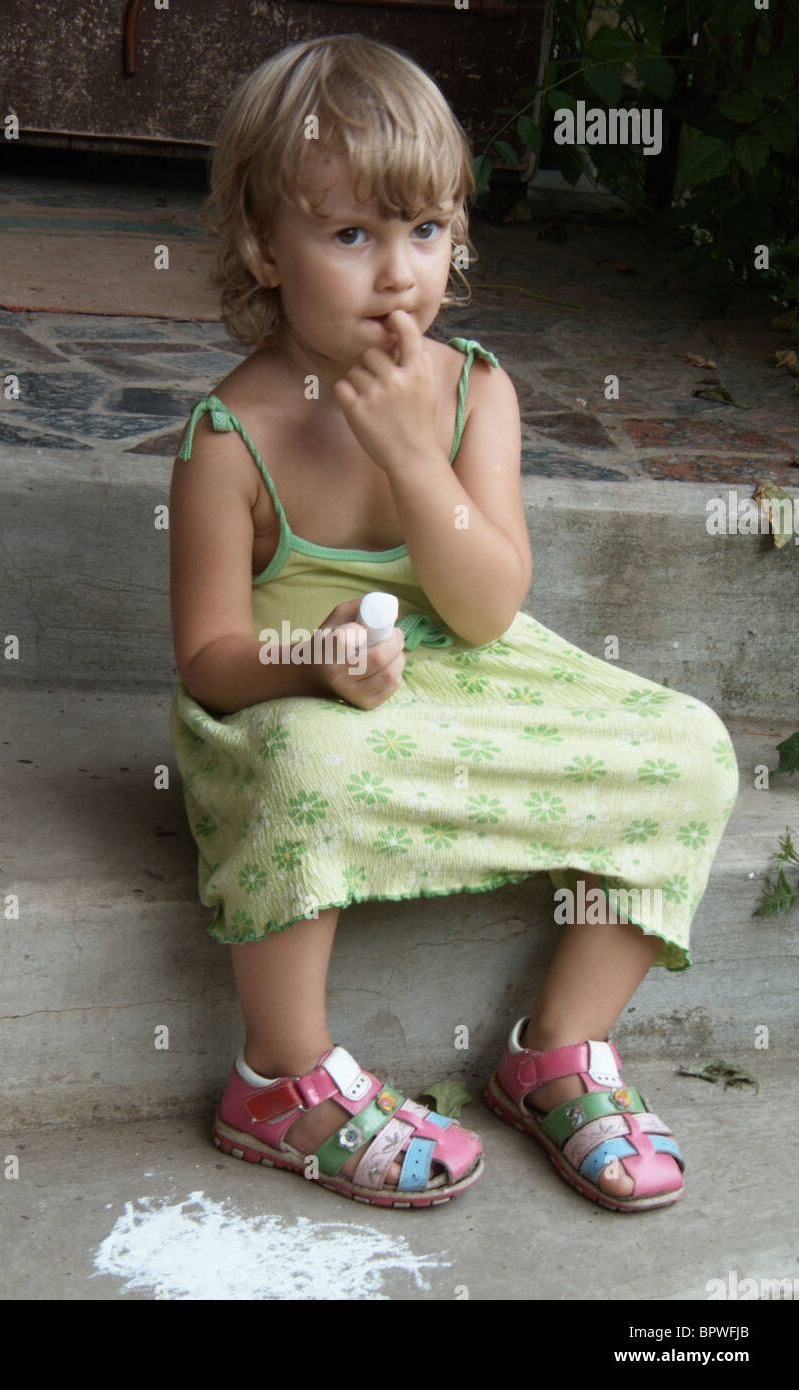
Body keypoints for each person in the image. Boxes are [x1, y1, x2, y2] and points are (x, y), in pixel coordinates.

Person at [167, 34, 739, 1211]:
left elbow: (485, 609)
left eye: (424, 230)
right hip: (306, 700)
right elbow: (211, 666)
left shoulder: (477, 388)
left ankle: (558, 1049)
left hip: (473, 676)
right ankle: (278, 1078)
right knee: (304, 769)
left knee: (692, 747)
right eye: (350, 236)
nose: (397, 275)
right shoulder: (230, 438)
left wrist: (410, 458)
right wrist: (312, 662)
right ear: (263, 250)